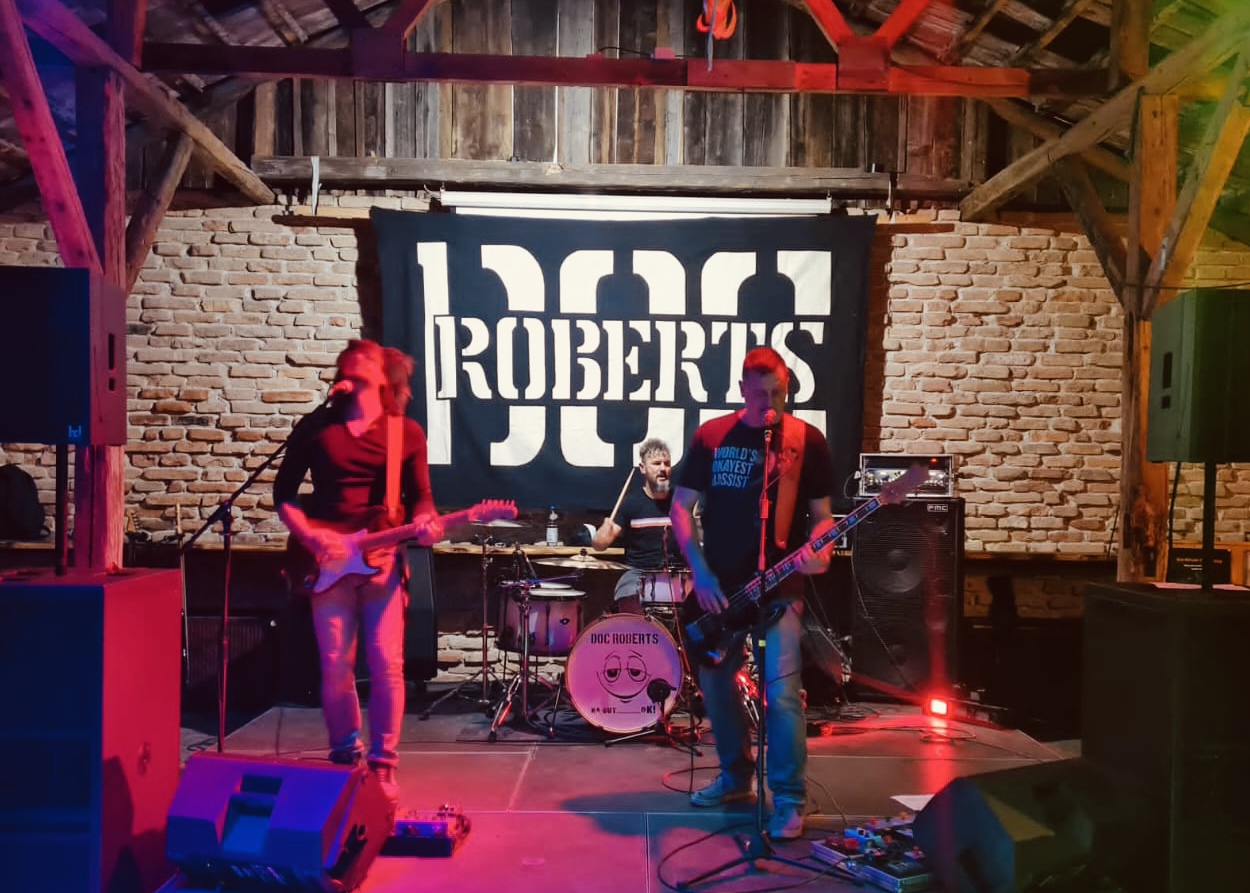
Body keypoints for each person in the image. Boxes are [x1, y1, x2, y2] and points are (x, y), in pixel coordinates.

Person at [670, 346, 835, 841]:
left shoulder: (805, 441)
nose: (769, 403)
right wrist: (700, 573)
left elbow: (822, 516)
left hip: (780, 585)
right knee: (717, 686)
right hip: (719, 589)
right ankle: (735, 777)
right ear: (742, 388)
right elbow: (681, 509)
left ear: (787, 388)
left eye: (778, 393)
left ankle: (788, 799)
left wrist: (821, 549)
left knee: (781, 693)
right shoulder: (711, 435)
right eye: (760, 393)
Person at [274, 339, 442, 813]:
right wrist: (311, 537)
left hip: (382, 559)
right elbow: (284, 494)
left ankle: (384, 764)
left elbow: (421, 496)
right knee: (335, 664)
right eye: (349, 356)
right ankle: (345, 757)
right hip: (327, 561)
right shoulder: (317, 427)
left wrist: (426, 520)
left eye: (366, 355)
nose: (355, 358)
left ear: (384, 375)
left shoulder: (405, 432)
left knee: (387, 663)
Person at [591, 438, 686, 614]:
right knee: (628, 595)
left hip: (676, 572)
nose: (663, 468)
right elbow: (599, 545)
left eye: (667, 463)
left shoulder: (681, 501)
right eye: (656, 463)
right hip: (637, 573)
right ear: (643, 468)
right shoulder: (631, 503)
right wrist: (603, 534)